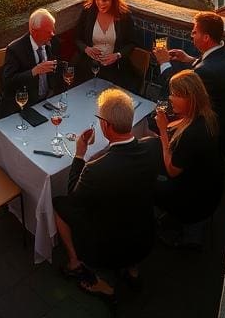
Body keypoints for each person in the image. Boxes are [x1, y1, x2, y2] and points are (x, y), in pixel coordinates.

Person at [53, 88, 160, 298]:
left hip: (107, 249)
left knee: (59, 204)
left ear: (105, 125)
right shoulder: (153, 146)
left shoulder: (95, 169)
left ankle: (79, 265)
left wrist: (80, 155)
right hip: (145, 236)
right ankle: (132, 270)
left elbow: (73, 197)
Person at [154, 11, 225, 156]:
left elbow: (177, 90)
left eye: (194, 32)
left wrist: (164, 63)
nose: (191, 35)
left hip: (211, 131)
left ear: (206, 37)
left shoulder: (204, 72)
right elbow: (212, 64)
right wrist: (189, 60)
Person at [153, 70, 223, 226]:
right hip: (209, 191)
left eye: (176, 95)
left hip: (192, 203)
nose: (170, 98)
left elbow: (172, 170)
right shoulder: (208, 116)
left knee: (144, 180)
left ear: (191, 98)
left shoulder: (192, 134)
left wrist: (163, 131)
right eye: (171, 93)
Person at [74, 0, 142, 94]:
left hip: (115, 69)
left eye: (104, 0)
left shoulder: (123, 16)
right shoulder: (88, 13)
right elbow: (77, 38)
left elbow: (132, 43)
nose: (100, 4)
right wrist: (86, 49)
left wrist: (117, 55)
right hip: (89, 66)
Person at [0, 8, 62, 119]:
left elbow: (58, 70)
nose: (52, 34)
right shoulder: (15, 49)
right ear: (34, 31)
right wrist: (34, 71)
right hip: (25, 105)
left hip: (48, 100)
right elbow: (8, 84)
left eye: (53, 30)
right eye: (48, 32)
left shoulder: (52, 42)